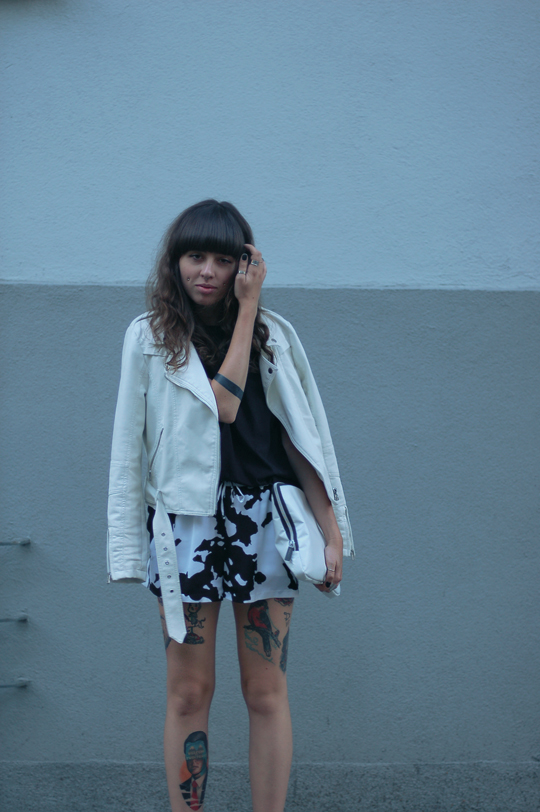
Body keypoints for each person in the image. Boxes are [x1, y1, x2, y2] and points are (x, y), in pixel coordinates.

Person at [107, 199, 354, 812]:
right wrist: (127, 546)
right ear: (175, 261)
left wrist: (332, 533)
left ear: (245, 265)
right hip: (184, 526)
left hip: (266, 521)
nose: (208, 271)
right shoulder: (149, 337)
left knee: (265, 692)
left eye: (223, 259)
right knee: (188, 693)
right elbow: (142, 441)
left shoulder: (275, 336)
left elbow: (302, 439)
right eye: (196, 256)